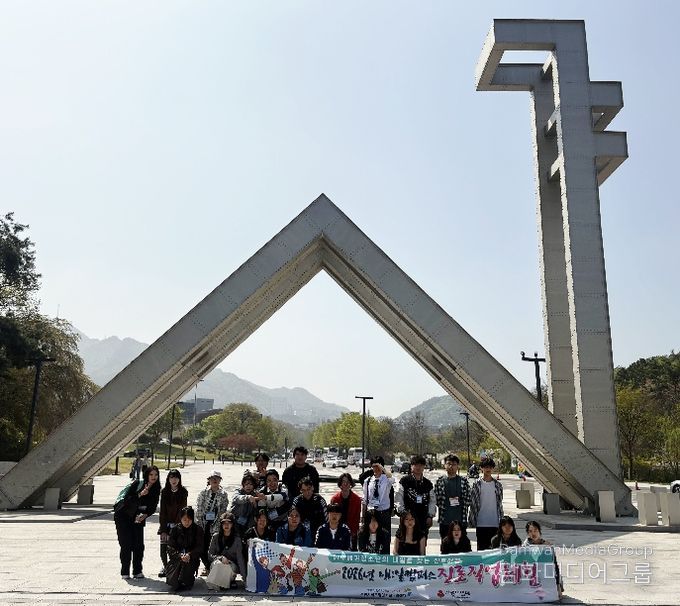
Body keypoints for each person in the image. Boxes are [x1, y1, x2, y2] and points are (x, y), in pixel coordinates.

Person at [113, 465, 161, 579]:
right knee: (126, 544)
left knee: (139, 545)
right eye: (151, 474)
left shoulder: (156, 488)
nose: (153, 477)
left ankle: (137, 571)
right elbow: (126, 501)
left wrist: (146, 515)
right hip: (123, 516)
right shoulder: (137, 484)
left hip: (138, 518)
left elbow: (153, 507)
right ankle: (125, 572)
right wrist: (140, 494)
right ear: (147, 475)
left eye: (156, 475)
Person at [395, 455, 435, 546]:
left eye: (421, 465)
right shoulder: (404, 481)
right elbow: (398, 497)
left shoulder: (428, 484)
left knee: (421, 545)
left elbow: (432, 501)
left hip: (422, 519)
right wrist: (402, 512)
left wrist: (430, 516)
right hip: (407, 519)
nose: (418, 467)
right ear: (411, 466)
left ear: (424, 467)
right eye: (415, 465)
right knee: (405, 544)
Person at [195, 470, 230, 575]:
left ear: (220, 480)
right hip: (203, 523)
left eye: (217, 478)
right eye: (212, 478)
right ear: (209, 480)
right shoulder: (203, 492)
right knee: (202, 546)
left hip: (216, 524)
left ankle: (212, 567)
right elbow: (199, 508)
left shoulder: (223, 494)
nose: (214, 480)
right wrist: (200, 522)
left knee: (213, 547)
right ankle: (206, 566)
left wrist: (217, 523)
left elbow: (223, 510)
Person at [467, 458, 503, 550]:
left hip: (495, 522)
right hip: (481, 522)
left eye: (490, 467)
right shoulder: (476, 484)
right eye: (486, 467)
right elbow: (473, 503)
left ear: (493, 468)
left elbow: (500, 503)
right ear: (481, 468)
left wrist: (501, 520)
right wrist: (472, 520)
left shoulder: (498, 485)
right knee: (481, 549)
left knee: (495, 549)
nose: (488, 469)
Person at [158, 469, 188, 577]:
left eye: (176, 477)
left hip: (178, 525)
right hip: (166, 524)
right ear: (168, 479)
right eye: (171, 477)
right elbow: (162, 512)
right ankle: (166, 567)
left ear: (179, 479)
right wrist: (163, 530)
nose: (174, 480)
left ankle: (173, 568)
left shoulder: (183, 491)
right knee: (163, 548)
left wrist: (176, 527)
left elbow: (182, 510)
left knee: (175, 548)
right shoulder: (164, 492)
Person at [165, 506, 203, 591]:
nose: (187, 522)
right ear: (181, 519)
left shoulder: (197, 529)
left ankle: (186, 581)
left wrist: (190, 555)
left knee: (186, 578)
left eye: (189, 520)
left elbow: (200, 547)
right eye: (184, 520)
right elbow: (170, 547)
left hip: (191, 559)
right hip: (177, 557)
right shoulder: (175, 529)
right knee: (173, 582)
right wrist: (180, 555)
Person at [523, 520, 563, 598]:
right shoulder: (524, 547)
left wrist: (558, 586)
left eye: (535, 530)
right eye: (530, 531)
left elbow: (554, 567)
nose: (533, 533)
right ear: (528, 533)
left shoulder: (546, 546)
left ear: (539, 531)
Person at [207, 512, 247, 589]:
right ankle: (220, 583)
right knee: (218, 564)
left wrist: (245, 578)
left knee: (227, 566)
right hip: (217, 563)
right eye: (224, 523)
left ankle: (223, 582)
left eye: (229, 523)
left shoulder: (237, 539)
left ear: (232, 525)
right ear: (221, 525)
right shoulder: (215, 537)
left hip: (231, 566)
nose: (226, 525)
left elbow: (240, 558)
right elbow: (210, 555)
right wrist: (220, 558)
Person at [434, 454, 470, 539]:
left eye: (454, 464)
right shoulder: (440, 481)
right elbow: (436, 500)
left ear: (457, 466)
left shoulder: (463, 481)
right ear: (445, 465)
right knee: (445, 544)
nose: (451, 466)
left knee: (461, 545)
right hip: (445, 520)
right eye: (449, 464)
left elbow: (468, 499)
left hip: (460, 521)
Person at [362, 458, 394, 539]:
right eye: (374, 466)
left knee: (385, 538)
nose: (376, 468)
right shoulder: (368, 481)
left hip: (383, 512)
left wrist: (383, 469)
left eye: (378, 466)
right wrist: (363, 516)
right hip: (371, 513)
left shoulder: (386, 479)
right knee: (370, 538)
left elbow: (392, 479)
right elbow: (365, 500)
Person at [330, 473, 362, 549]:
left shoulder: (357, 499)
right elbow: (331, 517)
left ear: (351, 484)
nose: (345, 484)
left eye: (348, 482)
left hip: (352, 532)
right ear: (340, 484)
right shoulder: (334, 499)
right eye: (343, 481)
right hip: (337, 531)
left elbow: (357, 518)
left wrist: (353, 533)